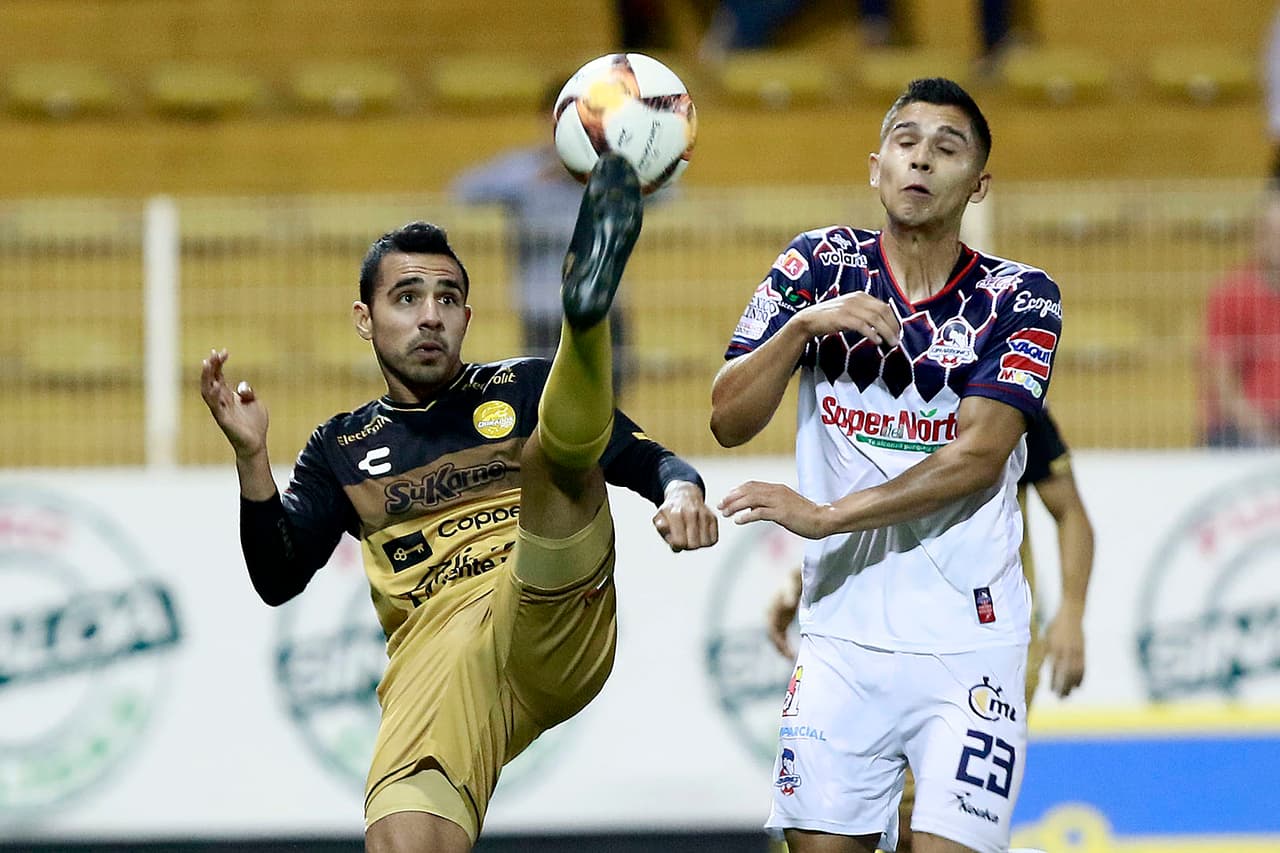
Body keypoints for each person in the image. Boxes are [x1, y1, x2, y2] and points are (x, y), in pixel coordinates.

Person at [201, 153, 719, 852]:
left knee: (551, 454)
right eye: (407, 297)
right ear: (365, 317)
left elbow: (650, 458)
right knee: (400, 840)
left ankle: (584, 319)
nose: (430, 317)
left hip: (552, 605)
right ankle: (584, 321)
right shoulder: (342, 444)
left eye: (447, 299)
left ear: (469, 315)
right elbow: (277, 575)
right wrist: (251, 459)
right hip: (440, 662)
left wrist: (682, 489)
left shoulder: (518, 386)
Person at [711, 78, 1063, 853]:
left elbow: (977, 457)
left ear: (979, 184)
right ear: (876, 166)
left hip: (971, 649)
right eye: (905, 142)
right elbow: (728, 417)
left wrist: (827, 515)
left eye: (947, 147)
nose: (921, 160)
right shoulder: (816, 265)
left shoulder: (1020, 298)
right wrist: (804, 326)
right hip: (840, 642)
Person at [764, 406, 1094, 852]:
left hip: (971, 641)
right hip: (870, 639)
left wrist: (1071, 613)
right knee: (883, 820)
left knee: (928, 818)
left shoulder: (999, 392)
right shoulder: (874, 400)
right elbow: (876, 512)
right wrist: (801, 581)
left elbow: (1070, 510)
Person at [452, 83, 635, 395]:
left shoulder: (610, 167)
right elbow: (463, 190)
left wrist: (604, 173)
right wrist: (539, 177)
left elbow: (668, 191)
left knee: (609, 401)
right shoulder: (524, 168)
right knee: (546, 402)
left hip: (604, 306)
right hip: (543, 309)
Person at [1202, 192, 1280, 447]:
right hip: (1241, 426)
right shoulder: (1231, 294)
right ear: (1258, 238)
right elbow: (1221, 376)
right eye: (1272, 235)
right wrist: (1256, 425)